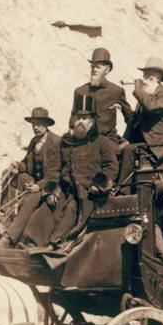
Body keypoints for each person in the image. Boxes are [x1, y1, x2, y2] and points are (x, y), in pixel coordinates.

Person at [54, 95, 120, 241]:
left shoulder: (102, 142)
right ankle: (29, 243)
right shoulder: (68, 143)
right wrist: (54, 187)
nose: (80, 122)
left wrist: (98, 184)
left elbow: (111, 166)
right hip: (68, 190)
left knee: (71, 209)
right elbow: (60, 167)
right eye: (78, 117)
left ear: (92, 121)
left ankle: (55, 244)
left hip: (90, 193)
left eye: (85, 118)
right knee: (46, 210)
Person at [117, 57, 163, 185]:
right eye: (144, 75)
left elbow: (151, 107)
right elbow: (134, 121)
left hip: (158, 145)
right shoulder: (145, 97)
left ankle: (123, 189)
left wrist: (138, 89)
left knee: (129, 150)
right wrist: (122, 107)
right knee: (115, 147)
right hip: (144, 142)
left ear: (158, 78)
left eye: (150, 77)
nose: (145, 80)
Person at [70, 47, 131, 143]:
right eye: (92, 67)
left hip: (108, 140)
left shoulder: (116, 91)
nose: (94, 70)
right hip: (85, 139)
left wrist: (126, 139)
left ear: (107, 70)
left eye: (98, 67)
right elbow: (73, 118)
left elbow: (130, 118)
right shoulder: (80, 91)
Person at [14, 106, 61, 191]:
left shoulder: (56, 142)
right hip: (33, 183)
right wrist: (17, 166)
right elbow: (26, 163)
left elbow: (56, 173)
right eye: (33, 124)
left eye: (38, 124)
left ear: (46, 124)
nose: (35, 127)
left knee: (28, 203)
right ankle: (8, 204)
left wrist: (39, 186)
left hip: (48, 186)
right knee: (8, 173)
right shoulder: (34, 141)